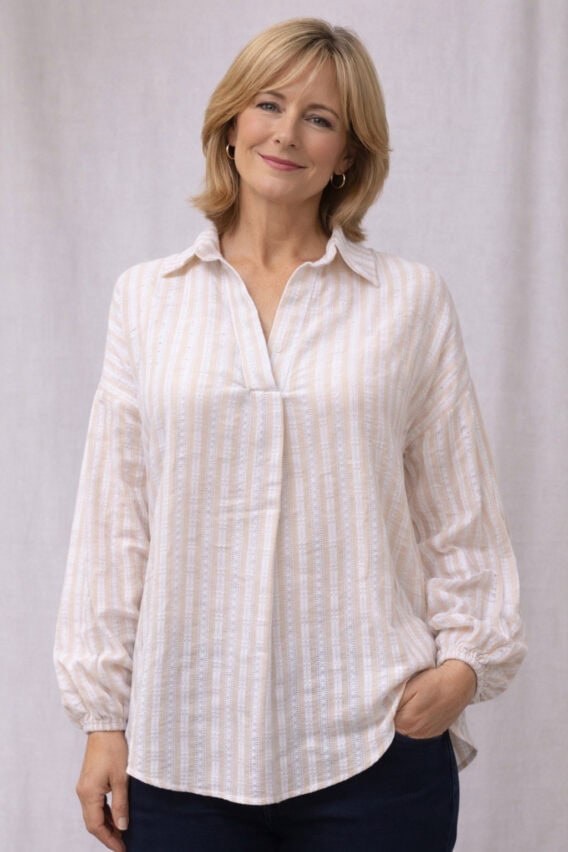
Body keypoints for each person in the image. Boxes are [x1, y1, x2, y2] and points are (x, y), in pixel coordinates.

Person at [53, 17, 526, 852]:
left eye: (320, 118)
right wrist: (102, 719)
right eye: (269, 104)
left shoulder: (409, 301)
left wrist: (465, 663)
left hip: (375, 746)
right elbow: (115, 520)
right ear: (231, 123)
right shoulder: (148, 298)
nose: (287, 133)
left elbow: (461, 509)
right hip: (180, 747)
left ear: (347, 154)